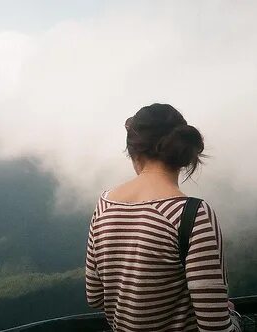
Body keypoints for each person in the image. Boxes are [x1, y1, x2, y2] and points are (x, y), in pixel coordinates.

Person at [85, 104, 240, 331]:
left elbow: (95, 297)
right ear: (182, 154)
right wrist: (231, 315)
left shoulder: (104, 204)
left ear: (133, 152)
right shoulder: (192, 214)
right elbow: (215, 327)